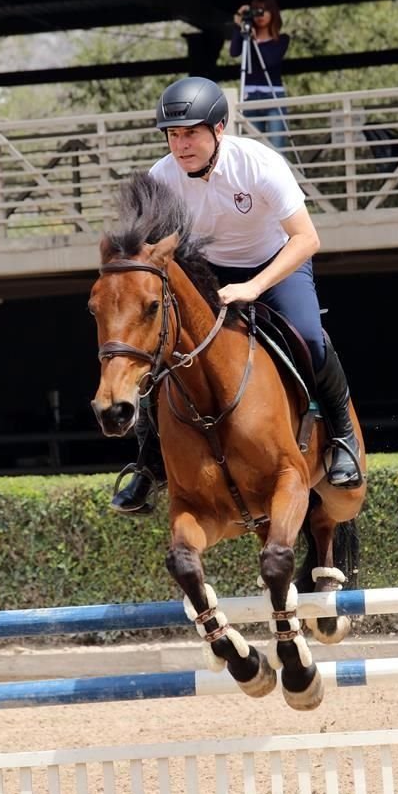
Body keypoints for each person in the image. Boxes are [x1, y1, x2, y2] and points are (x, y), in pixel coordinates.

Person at [110, 76, 363, 514]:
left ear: (219, 128)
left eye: (191, 132)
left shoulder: (259, 164)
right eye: (173, 135)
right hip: (205, 272)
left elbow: (306, 238)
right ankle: (148, 463)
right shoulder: (160, 178)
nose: (181, 145)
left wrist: (254, 286)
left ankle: (341, 437)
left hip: (277, 262)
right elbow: (148, 255)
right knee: (160, 348)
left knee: (309, 333)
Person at [229, 0, 289, 150]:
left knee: (277, 146)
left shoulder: (281, 40)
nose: (260, 16)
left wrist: (256, 41)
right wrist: (238, 25)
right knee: (254, 148)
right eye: (256, 11)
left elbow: (270, 61)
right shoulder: (246, 38)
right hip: (250, 97)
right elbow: (234, 52)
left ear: (273, 13)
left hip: (273, 95)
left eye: (264, 11)